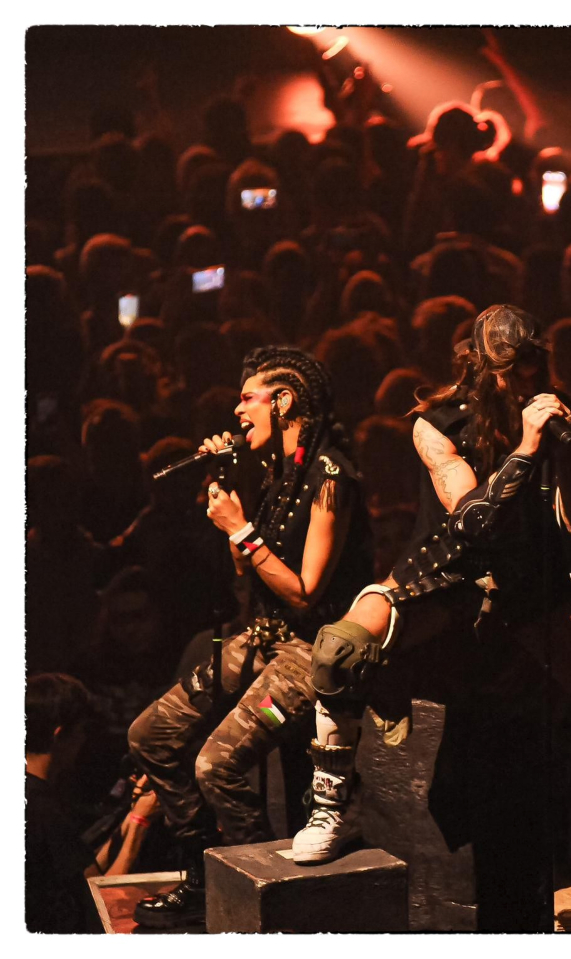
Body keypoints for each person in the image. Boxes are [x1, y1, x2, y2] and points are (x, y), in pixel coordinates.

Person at [293, 304, 571, 890]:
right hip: (444, 575)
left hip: (527, 584)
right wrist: (526, 449)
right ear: (481, 366)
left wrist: (568, 453)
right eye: (511, 368)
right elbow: (472, 521)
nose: (525, 378)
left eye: (532, 364)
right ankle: (332, 806)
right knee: (338, 648)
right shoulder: (435, 423)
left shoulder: (560, 415)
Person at [127, 346, 371, 928]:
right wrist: (231, 488)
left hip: (309, 651)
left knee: (216, 765)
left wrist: (239, 528)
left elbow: (304, 591)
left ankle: (259, 890)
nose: (236, 411)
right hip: (262, 636)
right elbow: (247, 570)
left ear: (283, 401)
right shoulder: (273, 471)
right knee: (151, 735)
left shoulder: (330, 475)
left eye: (247, 398)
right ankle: (200, 871)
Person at [26, 673, 161, 933]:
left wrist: (129, 818)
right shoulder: (42, 811)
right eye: (81, 731)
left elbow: (85, 873)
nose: (84, 741)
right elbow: (98, 900)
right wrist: (140, 823)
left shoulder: (31, 794)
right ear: (59, 735)